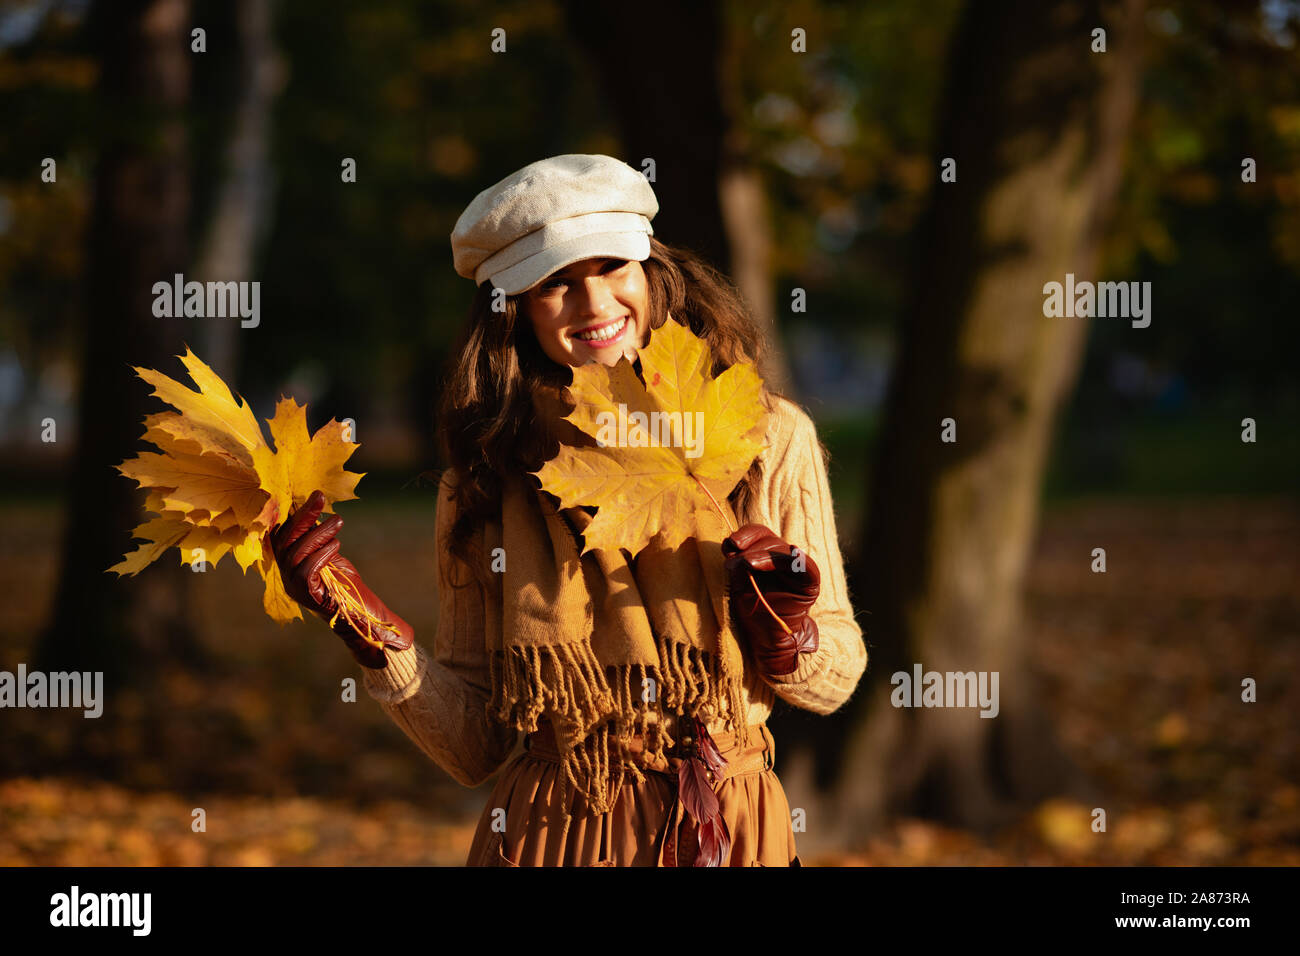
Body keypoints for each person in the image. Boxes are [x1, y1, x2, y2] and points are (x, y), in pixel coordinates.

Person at [271, 154, 867, 866]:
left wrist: (788, 636)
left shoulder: (767, 437)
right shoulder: (486, 477)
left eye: (614, 267)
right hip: (558, 832)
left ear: (654, 273)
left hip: (733, 827)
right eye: (554, 283)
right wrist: (368, 628)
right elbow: (475, 749)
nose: (594, 306)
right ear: (513, 308)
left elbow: (836, 680)